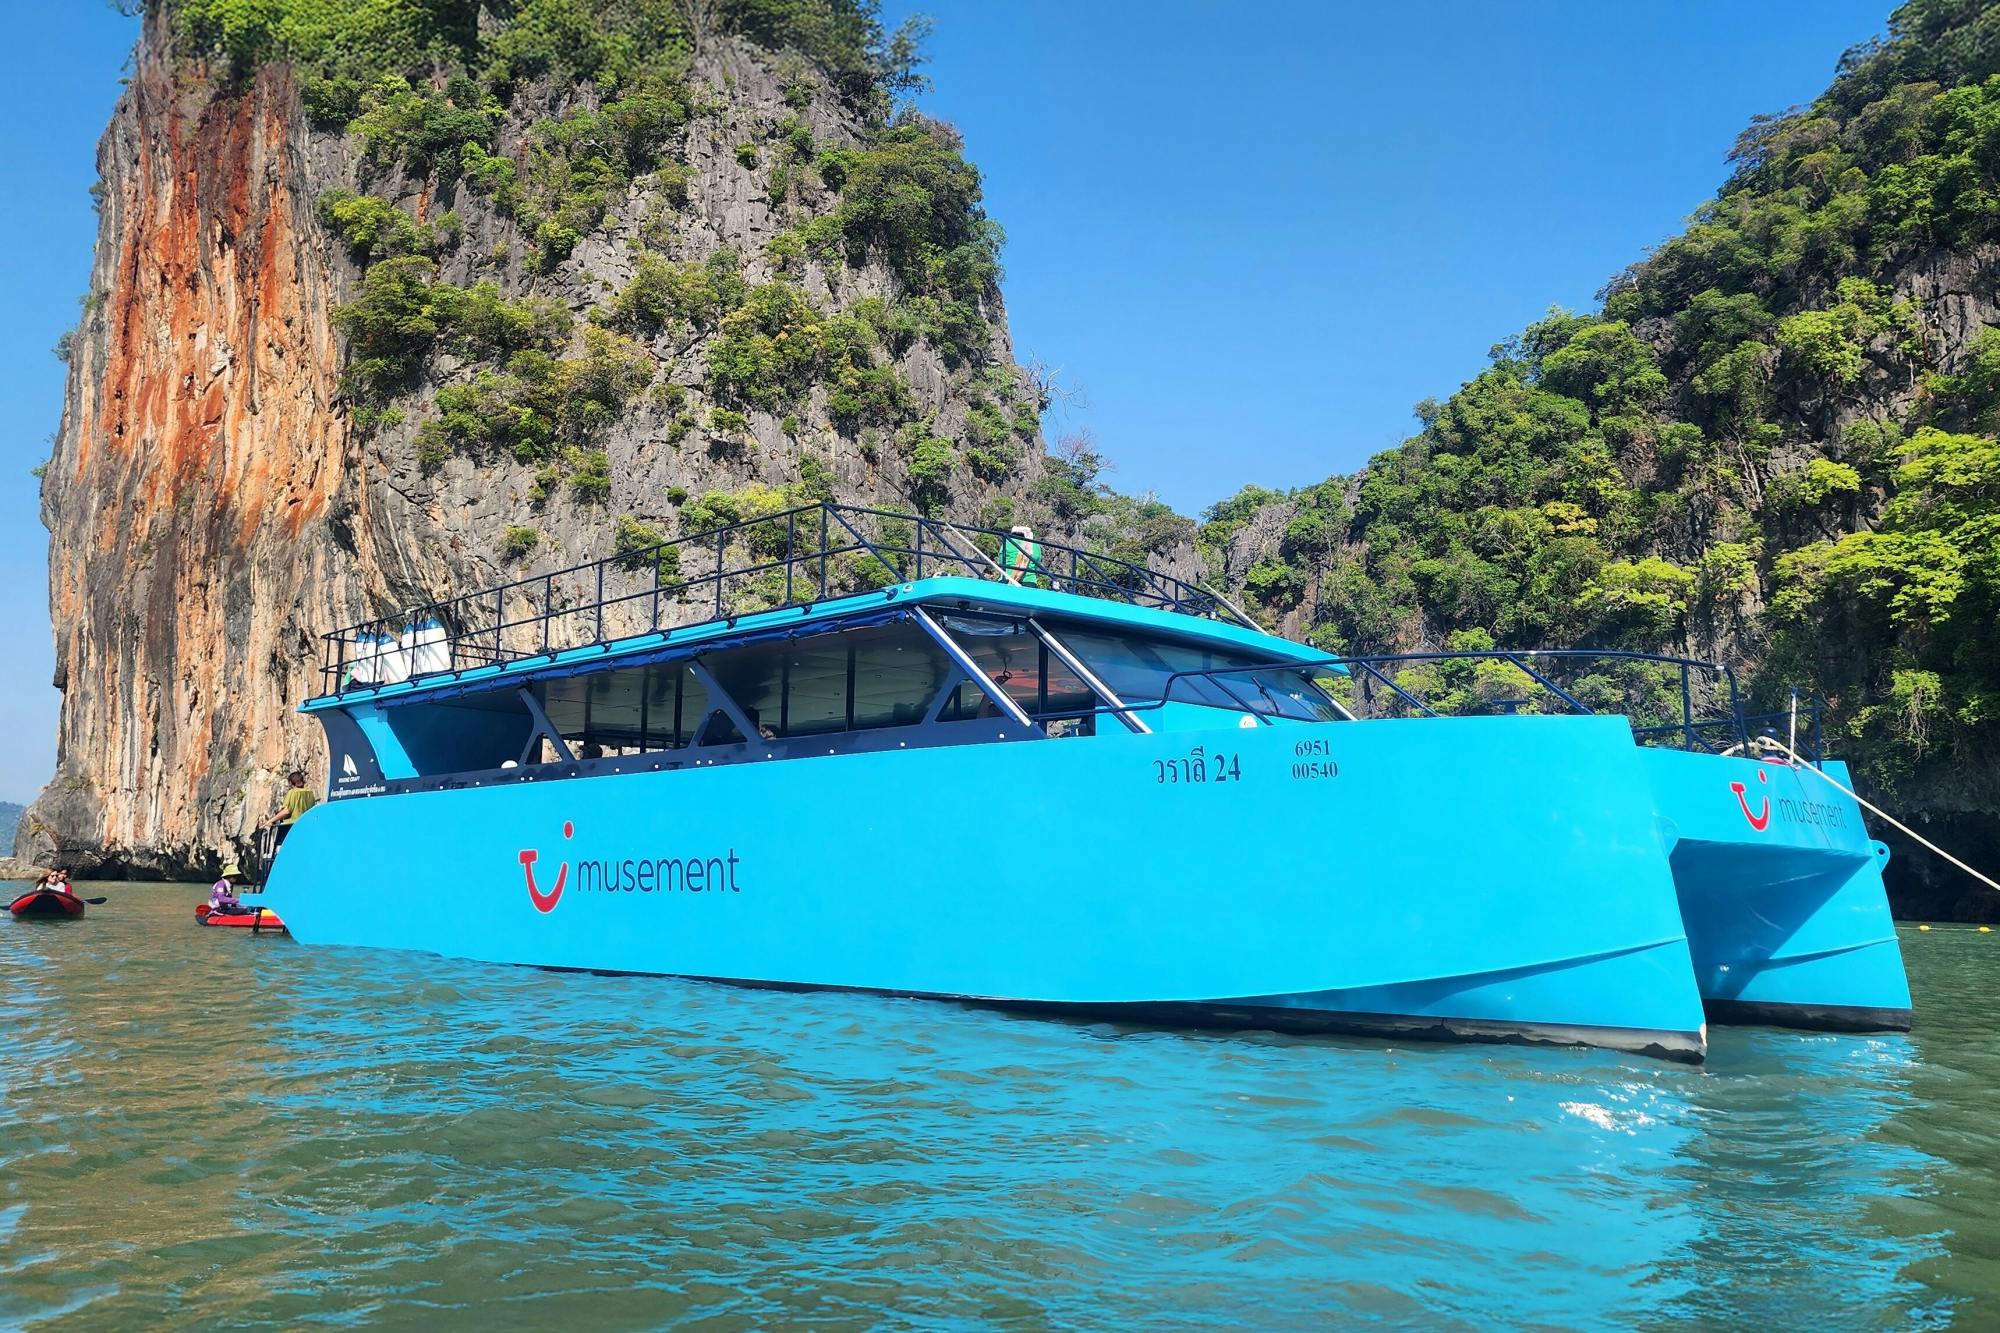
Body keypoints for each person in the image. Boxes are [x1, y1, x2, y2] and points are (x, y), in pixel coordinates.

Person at [263, 770, 317, 848]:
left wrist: (271, 821)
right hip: (305, 827)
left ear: (291, 783)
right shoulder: (310, 793)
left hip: (290, 828)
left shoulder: (293, 793)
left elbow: (287, 811)